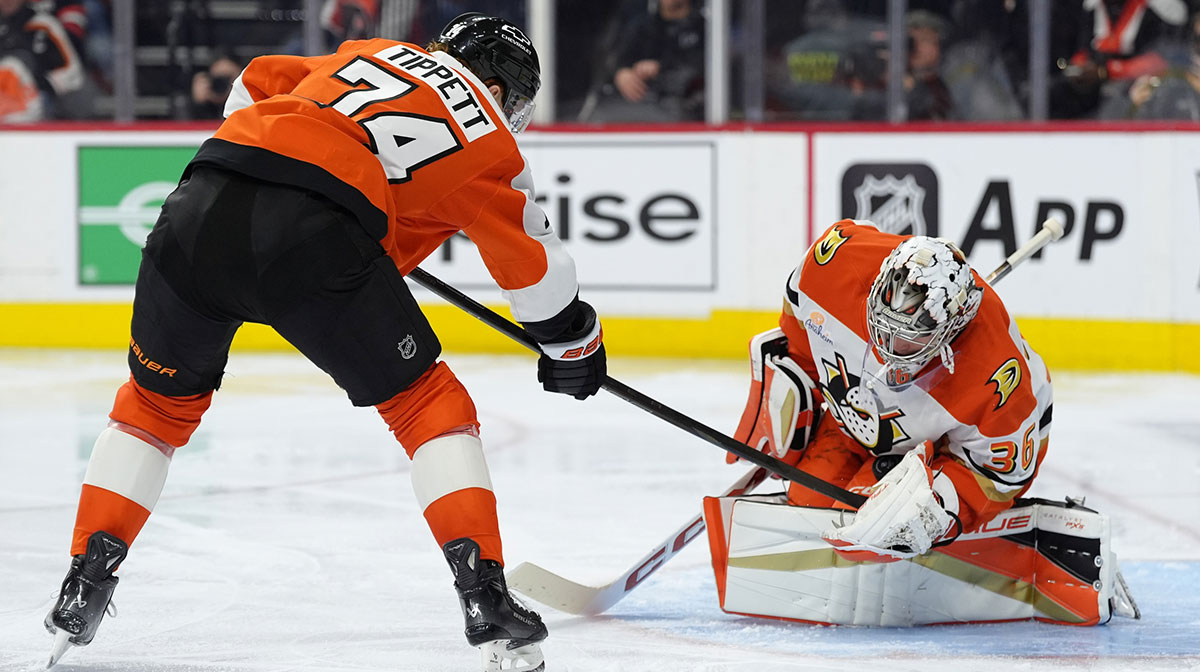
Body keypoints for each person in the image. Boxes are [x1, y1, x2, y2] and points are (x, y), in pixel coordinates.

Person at [43, 13, 605, 672]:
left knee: (153, 409)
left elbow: (253, 87)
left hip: (202, 198)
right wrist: (575, 347)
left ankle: (84, 584)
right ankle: (485, 601)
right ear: (508, 93)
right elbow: (539, 284)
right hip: (311, 237)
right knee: (431, 410)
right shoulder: (492, 143)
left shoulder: (374, 52)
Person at [705, 219, 1138, 626]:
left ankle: (994, 544)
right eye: (883, 327)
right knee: (808, 503)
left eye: (909, 339)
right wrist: (795, 385)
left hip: (954, 450)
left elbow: (1002, 471)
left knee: (867, 524)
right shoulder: (836, 263)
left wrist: (942, 509)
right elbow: (799, 317)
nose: (890, 346)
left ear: (950, 334)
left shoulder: (996, 379)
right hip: (854, 416)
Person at [598, 0, 705, 122]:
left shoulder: (705, 29)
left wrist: (662, 68)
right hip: (640, 108)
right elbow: (612, 62)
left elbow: (702, 67)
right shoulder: (643, 26)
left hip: (688, 111)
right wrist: (620, 74)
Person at [0, 0, 83, 122]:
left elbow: (73, 71)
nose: (7, 2)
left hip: (38, 99)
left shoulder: (44, 24)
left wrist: (42, 84)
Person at [189, 51, 241, 119]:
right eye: (218, 78)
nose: (222, 84)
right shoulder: (204, 103)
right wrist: (197, 104)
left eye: (228, 78)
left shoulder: (250, 102)